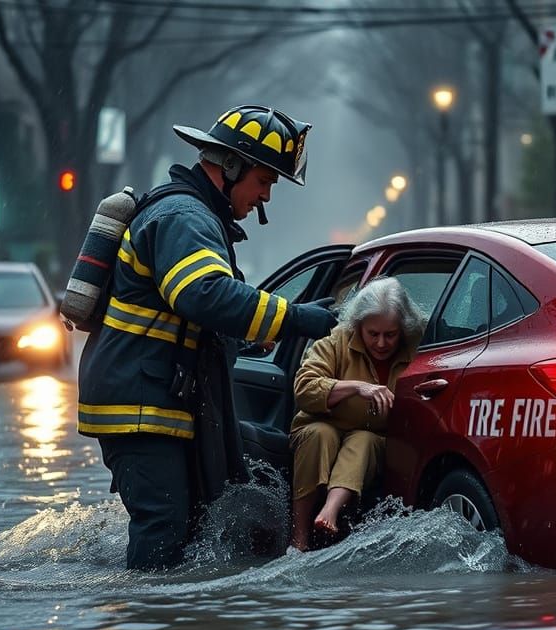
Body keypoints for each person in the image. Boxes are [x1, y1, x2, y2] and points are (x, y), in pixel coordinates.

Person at [78, 105, 337, 571]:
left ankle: (172, 628)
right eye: (264, 180)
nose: (265, 197)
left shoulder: (194, 216)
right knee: (163, 530)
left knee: (185, 530)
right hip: (140, 403)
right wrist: (296, 317)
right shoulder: (184, 216)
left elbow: (184, 315)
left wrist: (243, 338)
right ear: (231, 166)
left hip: (151, 397)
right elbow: (202, 293)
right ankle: (148, 627)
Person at [289, 277, 427, 550]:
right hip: (320, 427)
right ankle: (299, 537)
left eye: (391, 335)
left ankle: (330, 510)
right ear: (358, 326)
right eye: (372, 334)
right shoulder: (337, 340)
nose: (381, 343)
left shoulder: (416, 348)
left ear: (403, 329)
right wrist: (356, 387)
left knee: (362, 439)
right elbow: (303, 388)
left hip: (375, 439)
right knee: (320, 434)